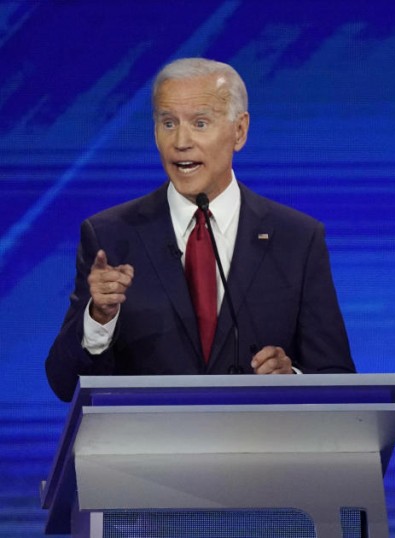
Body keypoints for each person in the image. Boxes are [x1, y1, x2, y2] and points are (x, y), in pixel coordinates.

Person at [46, 58, 355, 401]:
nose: (181, 141)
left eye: (200, 123)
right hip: (150, 451)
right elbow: (64, 383)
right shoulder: (111, 236)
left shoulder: (298, 239)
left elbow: (337, 376)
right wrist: (98, 318)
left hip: (259, 447)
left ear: (239, 131)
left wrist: (291, 378)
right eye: (168, 123)